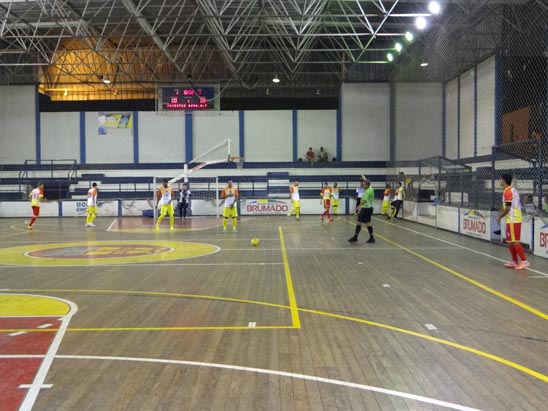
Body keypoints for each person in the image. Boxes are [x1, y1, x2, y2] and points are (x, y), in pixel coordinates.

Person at [498, 174, 529, 270]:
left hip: (513, 219)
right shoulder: (511, 190)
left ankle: (524, 261)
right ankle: (515, 262)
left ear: (504, 180)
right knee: (510, 242)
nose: (499, 181)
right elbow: (507, 205)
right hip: (512, 219)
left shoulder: (508, 191)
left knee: (515, 241)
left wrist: (500, 217)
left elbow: (508, 207)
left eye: (500, 179)